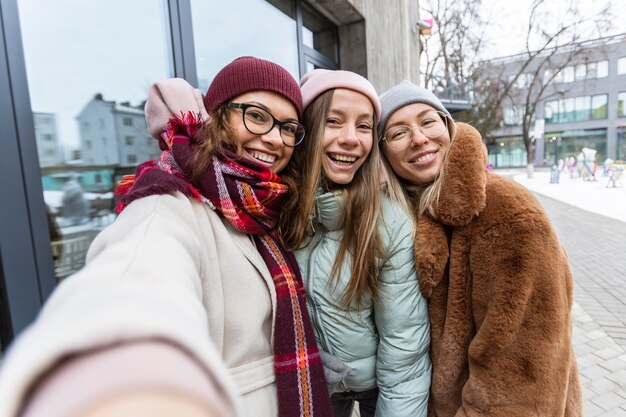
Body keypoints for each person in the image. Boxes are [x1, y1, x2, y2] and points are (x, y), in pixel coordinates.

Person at [0, 56, 333, 417]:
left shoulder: (265, 211)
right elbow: (136, 280)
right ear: (218, 115)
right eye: (256, 115)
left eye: (288, 127)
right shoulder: (168, 203)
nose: (273, 138)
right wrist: (115, 378)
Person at [377, 80, 583, 417]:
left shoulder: (507, 213)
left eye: (428, 121)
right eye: (398, 132)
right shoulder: (404, 217)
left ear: (448, 128)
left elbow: (521, 376)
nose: (418, 138)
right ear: (384, 153)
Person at [279, 70, 431, 417]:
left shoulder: (389, 222)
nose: (351, 139)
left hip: (376, 389)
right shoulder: (278, 209)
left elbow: (404, 345)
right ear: (306, 130)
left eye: (364, 126)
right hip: (311, 383)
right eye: (334, 121)